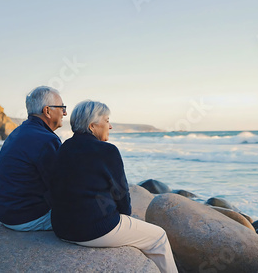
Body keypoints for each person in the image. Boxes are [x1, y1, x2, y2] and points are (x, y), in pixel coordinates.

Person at [50, 100, 177, 273]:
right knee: (159, 237)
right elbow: (121, 194)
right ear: (92, 125)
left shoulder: (63, 148)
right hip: (93, 231)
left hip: (61, 229)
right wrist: (125, 219)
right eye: (107, 120)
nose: (110, 127)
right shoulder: (107, 151)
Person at [0, 86, 67, 231]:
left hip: (5, 213)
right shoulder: (46, 139)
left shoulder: (19, 132)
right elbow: (59, 186)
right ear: (47, 111)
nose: (65, 112)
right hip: (27, 217)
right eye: (62, 108)